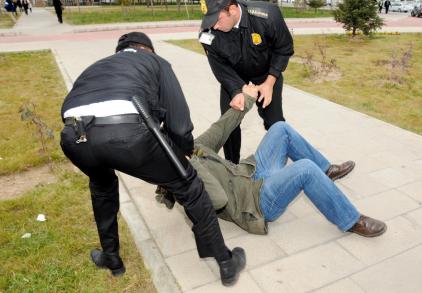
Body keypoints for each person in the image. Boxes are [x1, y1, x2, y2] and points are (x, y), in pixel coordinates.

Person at [60, 32, 246, 287]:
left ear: (120, 51)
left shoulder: (99, 65)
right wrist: (183, 154)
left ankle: (111, 258)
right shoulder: (156, 63)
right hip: (127, 134)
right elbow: (179, 123)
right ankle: (225, 262)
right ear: (148, 50)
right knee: (191, 188)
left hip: (74, 135)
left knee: (102, 187)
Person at [158, 85, 387, 237]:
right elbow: (218, 200)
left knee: (280, 129)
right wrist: (189, 162)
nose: (188, 132)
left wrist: (247, 97)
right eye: (183, 134)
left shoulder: (195, 146)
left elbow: (221, 127)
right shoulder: (181, 177)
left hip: (253, 173)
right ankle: (351, 220)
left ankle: (326, 171)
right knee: (304, 169)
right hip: (257, 203)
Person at [199, 0, 294, 164]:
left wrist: (269, 83)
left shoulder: (268, 16)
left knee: (276, 124)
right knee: (229, 124)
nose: (213, 27)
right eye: (209, 20)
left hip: (266, 73)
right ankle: (232, 166)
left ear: (233, 9)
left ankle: (278, 166)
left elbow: (284, 49)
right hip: (234, 77)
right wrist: (237, 90)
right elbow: (220, 67)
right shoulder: (207, 35)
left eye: (217, 19)